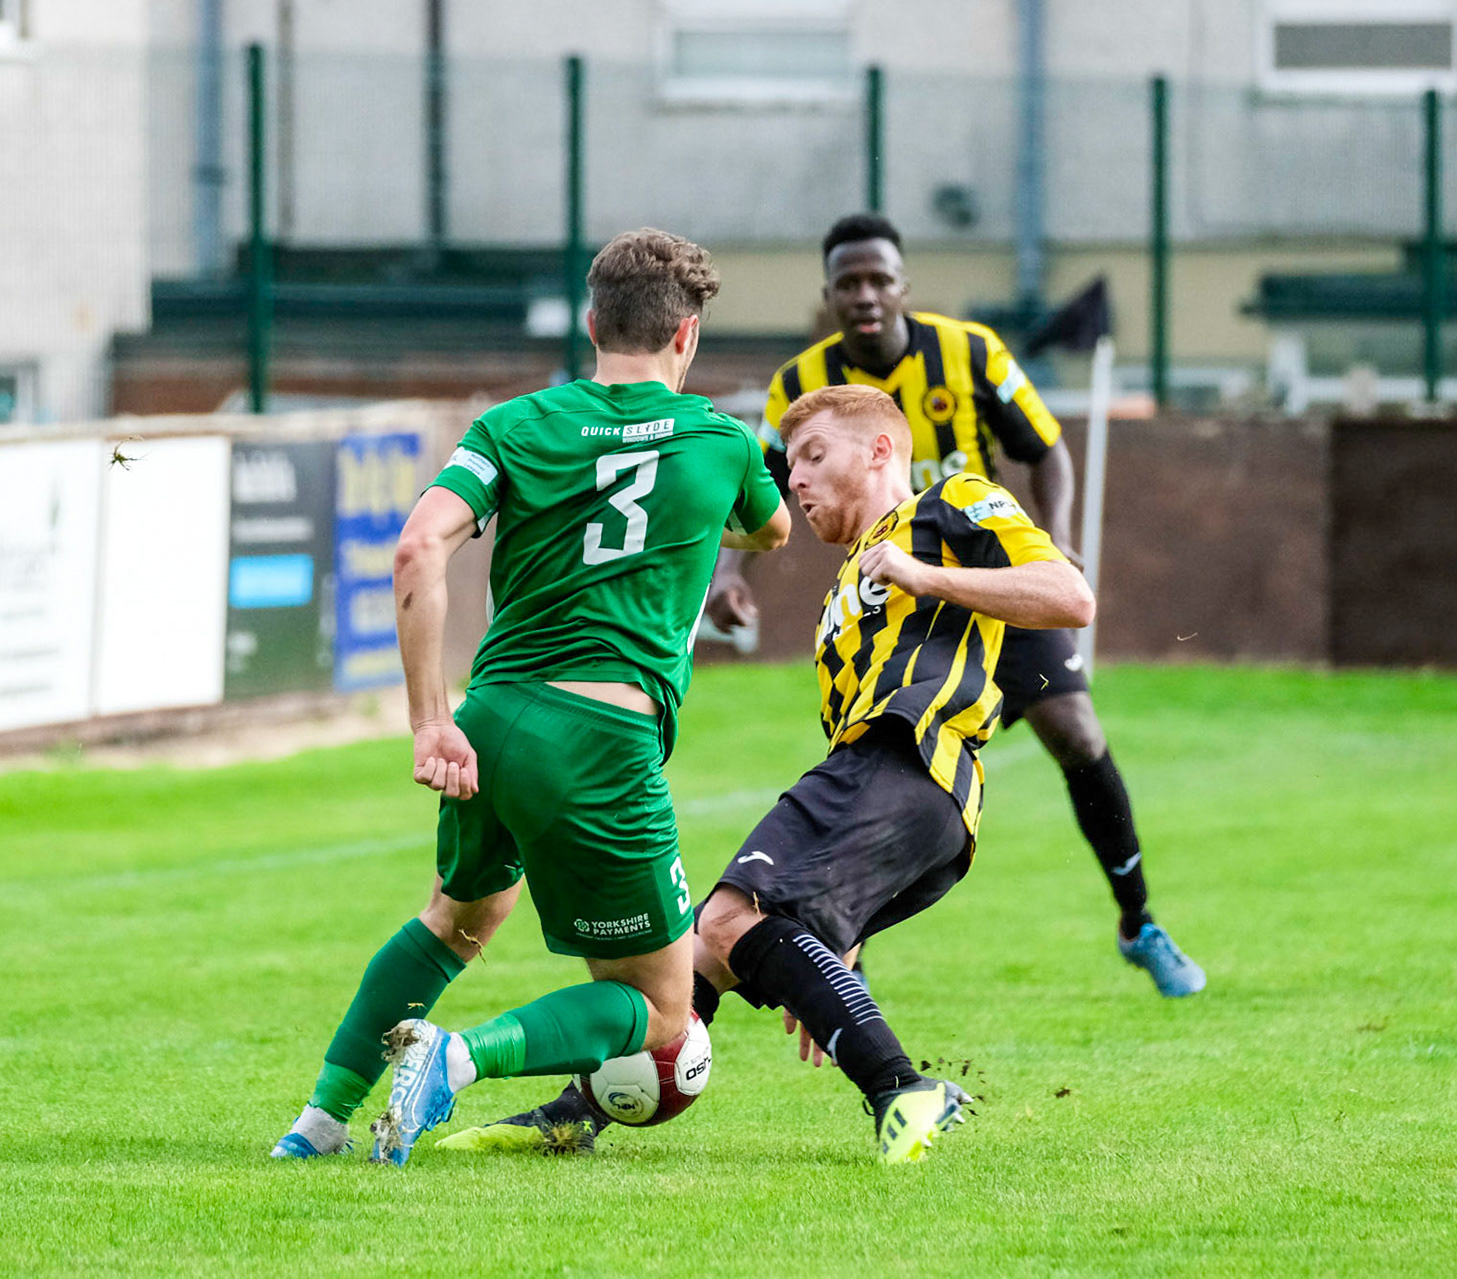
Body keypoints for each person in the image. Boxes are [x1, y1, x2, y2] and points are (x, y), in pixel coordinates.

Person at [442, 384, 1095, 1163]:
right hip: (893, 786)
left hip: (910, 753)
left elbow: (1071, 595)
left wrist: (930, 577)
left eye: (815, 456)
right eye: (793, 467)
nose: (798, 481)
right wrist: (828, 951)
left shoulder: (953, 501)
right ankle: (571, 1115)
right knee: (701, 953)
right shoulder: (854, 574)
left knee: (725, 920)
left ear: (882, 449)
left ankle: (901, 1088)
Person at [269, 229, 791, 1165]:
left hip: (490, 718)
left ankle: (317, 1124)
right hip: (597, 741)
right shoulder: (722, 440)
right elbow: (774, 530)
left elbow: (417, 548)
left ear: (593, 323)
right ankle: (453, 1058)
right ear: (688, 338)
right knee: (663, 1011)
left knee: (461, 916)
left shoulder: (513, 425)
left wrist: (431, 718)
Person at [711, 212, 1203, 997]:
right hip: (892, 595)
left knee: (1075, 729)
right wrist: (732, 575)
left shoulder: (971, 352)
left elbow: (1046, 449)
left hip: (980, 572)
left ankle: (1138, 921)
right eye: (849, 283)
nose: (866, 295)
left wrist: (1059, 538)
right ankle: (837, 950)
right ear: (830, 295)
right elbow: (764, 488)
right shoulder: (801, 385)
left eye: (879, 279)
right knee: (876, 754)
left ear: (904, 285)